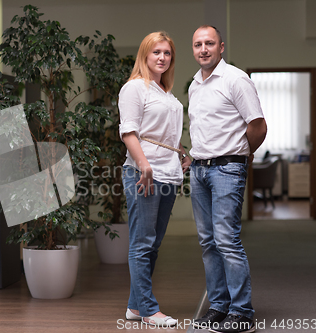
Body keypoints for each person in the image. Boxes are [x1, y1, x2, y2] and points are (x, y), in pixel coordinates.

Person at [188, 25, 267, 333]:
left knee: (226, 240)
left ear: (221, 47)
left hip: (227, 169)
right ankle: (219, 306)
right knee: (208, 242)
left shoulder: (236, 79)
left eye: (209, 43)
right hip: (199, 170)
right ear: (193, 49)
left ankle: (242, 312)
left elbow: (258, 126)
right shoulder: (195, 85)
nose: (203, 49)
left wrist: (242, 156)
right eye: (198, 44)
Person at [118, 31, 191, 327]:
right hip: (143, 173)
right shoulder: (135, 88)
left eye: (167, 53)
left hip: (168, 172)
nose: (162, 57)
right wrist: (143, 163)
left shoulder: (165, 92)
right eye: (156, 52)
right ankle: (148, 309)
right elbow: (129, 131)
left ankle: (135, 306)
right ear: (144, 55)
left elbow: (163, 132)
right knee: (142, 243)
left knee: (153, 243)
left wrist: (182, 152)